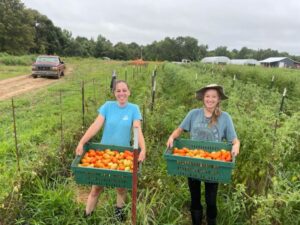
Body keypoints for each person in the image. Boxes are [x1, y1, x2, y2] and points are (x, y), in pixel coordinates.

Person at [166, 84, 240, 225]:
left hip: (213, 165)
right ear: (203, 98)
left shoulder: (225, 118)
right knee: (194, 198)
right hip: (193, 163)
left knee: (211, 200)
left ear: (218, 99)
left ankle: (211, 221)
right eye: (207, 96)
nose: (210, 99)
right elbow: (180, 129)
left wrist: (236, 145)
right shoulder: (194, 114)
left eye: (213, 97)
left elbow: (234, 140)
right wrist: (172, 137)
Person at [76, 80, 146, 221]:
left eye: (124, 90)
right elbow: (96, 125)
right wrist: (82, 142)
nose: (121, 93)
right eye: (118, 90)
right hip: (103, 154)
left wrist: (143, 149)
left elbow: (137, 129)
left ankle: (118, 214)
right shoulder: (107, 107)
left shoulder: (134, 108)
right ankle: (87, 215)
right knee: (96, 188)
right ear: (114, 93)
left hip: (122, 155)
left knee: (121, 188)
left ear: (129, 92)